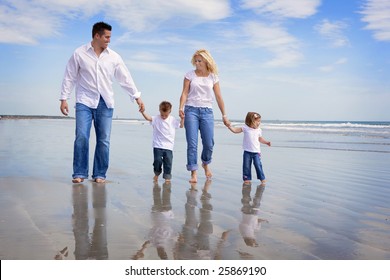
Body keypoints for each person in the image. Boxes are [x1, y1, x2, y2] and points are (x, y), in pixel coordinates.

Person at [59, 21, 144, 184]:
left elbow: (125, 78)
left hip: (105, 103)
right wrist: (64, 98)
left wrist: (136, 96)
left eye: (110, 37)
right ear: (96, 36)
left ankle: (99, 174)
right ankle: (79, 173)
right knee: (82, 137)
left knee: (103, 140)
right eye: (106, 37)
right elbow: (69, 76)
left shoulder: (114, 57)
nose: (109, 40)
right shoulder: (79, 53)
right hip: (84, 101)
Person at [179, 49, 230, 183]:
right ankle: (193, 173)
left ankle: (205, 163)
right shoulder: (189, 75)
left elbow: (219, 97)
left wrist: (224, 115)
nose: (197, 63)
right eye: (195, 61)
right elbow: (184, 93)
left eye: (199, 61)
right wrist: (181, 107)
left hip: (207, 111)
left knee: (209, 143)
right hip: (191, 111)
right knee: (192, 143)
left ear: (206, 61)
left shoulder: (213, 77)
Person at [141, 101, 184, 182]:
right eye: (162, 114)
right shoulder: (156, 118)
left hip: (168, 146)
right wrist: (143, 112)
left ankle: (167, 177)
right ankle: (157, 173)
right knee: (157, 161)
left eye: (166, 115)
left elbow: (181, 126)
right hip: (157, 145)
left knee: (168, 162)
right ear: (159, 110)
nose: (163, 116)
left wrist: (182, 118)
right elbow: (148, 118)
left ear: (170, 112)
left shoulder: (172, 120)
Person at [228, 112, 271, 185]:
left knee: (258, 165)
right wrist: (229, 126)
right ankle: (247, 178)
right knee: (246, 166)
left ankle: (262, 178)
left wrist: (266, 142)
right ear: (250, 121)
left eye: (259, 121)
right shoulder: (245, 128)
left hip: (256, 152)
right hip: (247, 152)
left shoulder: (259, 130)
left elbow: (260, 139)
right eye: (257, 121)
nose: (259, 123)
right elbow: (235, 131)